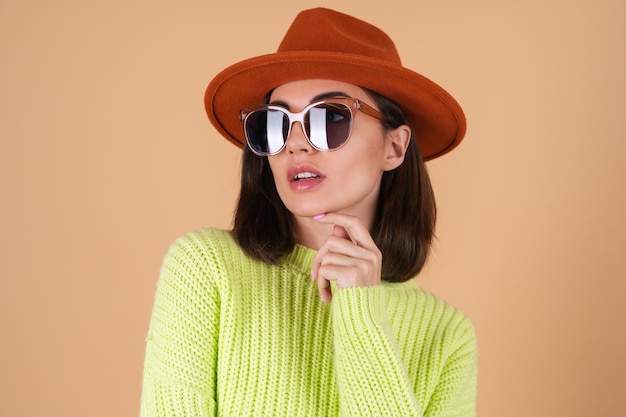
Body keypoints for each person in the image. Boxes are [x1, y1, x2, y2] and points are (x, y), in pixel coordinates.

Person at [140, 7, 477, 417]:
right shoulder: (207, 269)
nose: (296, 144)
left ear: (395, 147)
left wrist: (361, 313)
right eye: (275, 124)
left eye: (329, 118)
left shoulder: (445, 333)